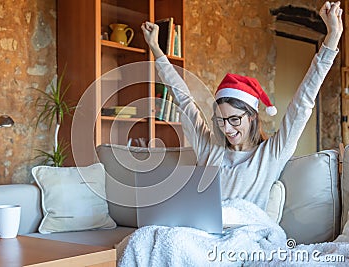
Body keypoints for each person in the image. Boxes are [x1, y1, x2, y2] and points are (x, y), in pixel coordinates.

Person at [141, 1, 343, 210]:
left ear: (252, 116)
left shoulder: (272, 153)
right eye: (220, 120)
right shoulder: (209, 149)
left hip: (244, 233)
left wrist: (332, 38)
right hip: (201, 232)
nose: (226, 129)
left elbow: (303, 102)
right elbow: (183, 98)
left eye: (234, 119)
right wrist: (156, 49)